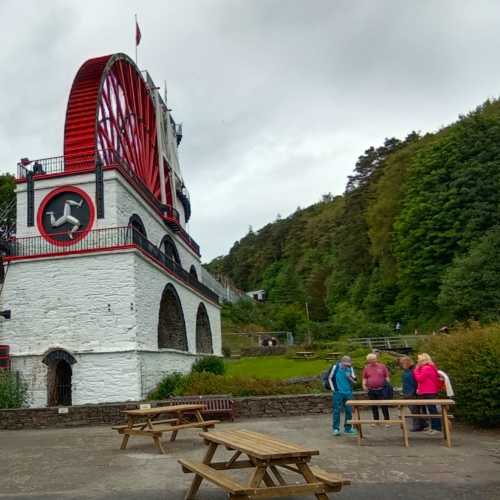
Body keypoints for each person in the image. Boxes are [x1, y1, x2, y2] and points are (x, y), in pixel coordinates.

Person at [328, 356, 357, 436]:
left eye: (348, 364)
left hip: (348, 392)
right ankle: (336, 429)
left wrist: (349, 377)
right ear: (341, 362)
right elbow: (329, 378)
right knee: (336, 411)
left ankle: (347, 428)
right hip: (338, 392)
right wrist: (333, 389)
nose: (347, 366)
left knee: (349, 410)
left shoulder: (350, 369)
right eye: (345, 364)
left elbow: (355, 381)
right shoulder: (335, 367)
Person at [413, 353, 442, 434]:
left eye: (418, 359)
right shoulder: (429, 367)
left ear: (423, 360)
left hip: (429, 391)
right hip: (428, 391)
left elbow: (419, 379)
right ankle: (433, 427)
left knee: (432, 410)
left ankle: (437, 428)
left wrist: (416, 370)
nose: (417, 361)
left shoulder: (426, 368)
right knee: (431, 409)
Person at [362, 353, 391, 424]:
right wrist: (364, 385)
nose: (373, 361)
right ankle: (376, 421)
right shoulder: (366, 367)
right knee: (373, 406)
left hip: (382, 389)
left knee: (384, 405)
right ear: (368, 360)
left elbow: (387, 376)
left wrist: (388, 385)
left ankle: (387, 421)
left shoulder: (382, 366)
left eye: (374, 359)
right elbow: (364, 378)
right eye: (371, 360)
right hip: (371, 390)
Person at [399, 356, 424, 432]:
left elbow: (416, 382)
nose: (401, 365)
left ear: (406, 362)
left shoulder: (414, 370)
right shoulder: (406, 370)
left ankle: (417, 426)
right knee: (414, 409)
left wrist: (415, 391)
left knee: (414, 410)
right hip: (407, 392)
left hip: (412, 393)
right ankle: (423, 423)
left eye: (402, 363)